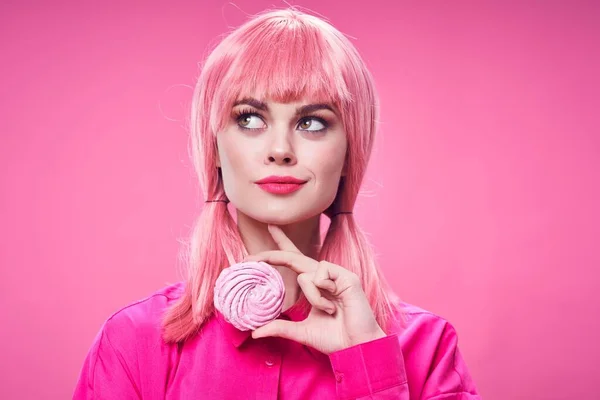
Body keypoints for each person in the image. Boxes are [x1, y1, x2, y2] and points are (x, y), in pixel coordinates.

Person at [73, 7, 481, 400]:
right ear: (213, 146)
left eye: (312, 122)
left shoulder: (427, 347)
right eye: (249, 119)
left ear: (348, 154)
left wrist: (368, 365)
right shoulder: (134, 340)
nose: (281, 150)